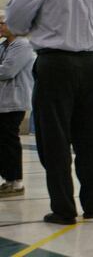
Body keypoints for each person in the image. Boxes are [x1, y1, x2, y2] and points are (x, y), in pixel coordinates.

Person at [5, 0, 93, 225]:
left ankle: (63, 208)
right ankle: (92, 205)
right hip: (91, 64)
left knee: (55, 139)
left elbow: (15, 21)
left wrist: (38, 22)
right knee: (90, 139)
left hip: (56, 64)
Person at [0, 17, 35, 198]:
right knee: (3, 143)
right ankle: (8, 179)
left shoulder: (23, 45)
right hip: (2, 102)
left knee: (9, 141)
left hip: (14, 101)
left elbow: (7, 71)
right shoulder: (3, 45)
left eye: (2, 23)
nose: (0, 26)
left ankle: (17, 182)